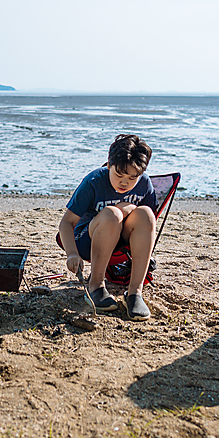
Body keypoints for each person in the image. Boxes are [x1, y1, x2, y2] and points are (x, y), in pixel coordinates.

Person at [59, 134, 158, 320]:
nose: (124, 182)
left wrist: (129, 208)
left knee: (145, 213)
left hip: (122, 244)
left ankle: (135, 292)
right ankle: (95, 285)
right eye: (119, 175)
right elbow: (66, 222)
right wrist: (71, 253)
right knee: (113, 214)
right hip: (88, 241)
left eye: (132, 178)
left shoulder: (144, 183)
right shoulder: (94, 181)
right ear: (109, 165)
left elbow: (147, 223)